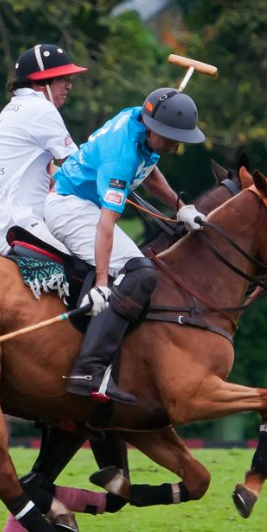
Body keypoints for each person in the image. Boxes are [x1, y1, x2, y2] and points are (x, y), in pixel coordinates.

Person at [44, 87, 207, 404]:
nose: (175, 146)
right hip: (72, 207)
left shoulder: (139, 118)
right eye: (171, 137)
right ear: (152, 127)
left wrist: (180, 206)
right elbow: (106, 225)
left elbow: (148, 171)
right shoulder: (121, 159)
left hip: (83, 202)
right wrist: (103, 283)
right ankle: (88, 371)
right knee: (139, 274)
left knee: (137, 268)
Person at [0, 44, 87, 255]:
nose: (69, 86)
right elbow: (79, 165)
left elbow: (48, 170)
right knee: (85, 264)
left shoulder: (12, 109)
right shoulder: (41, 109)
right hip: (19, 226)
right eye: (63, 79)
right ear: (40, 82)